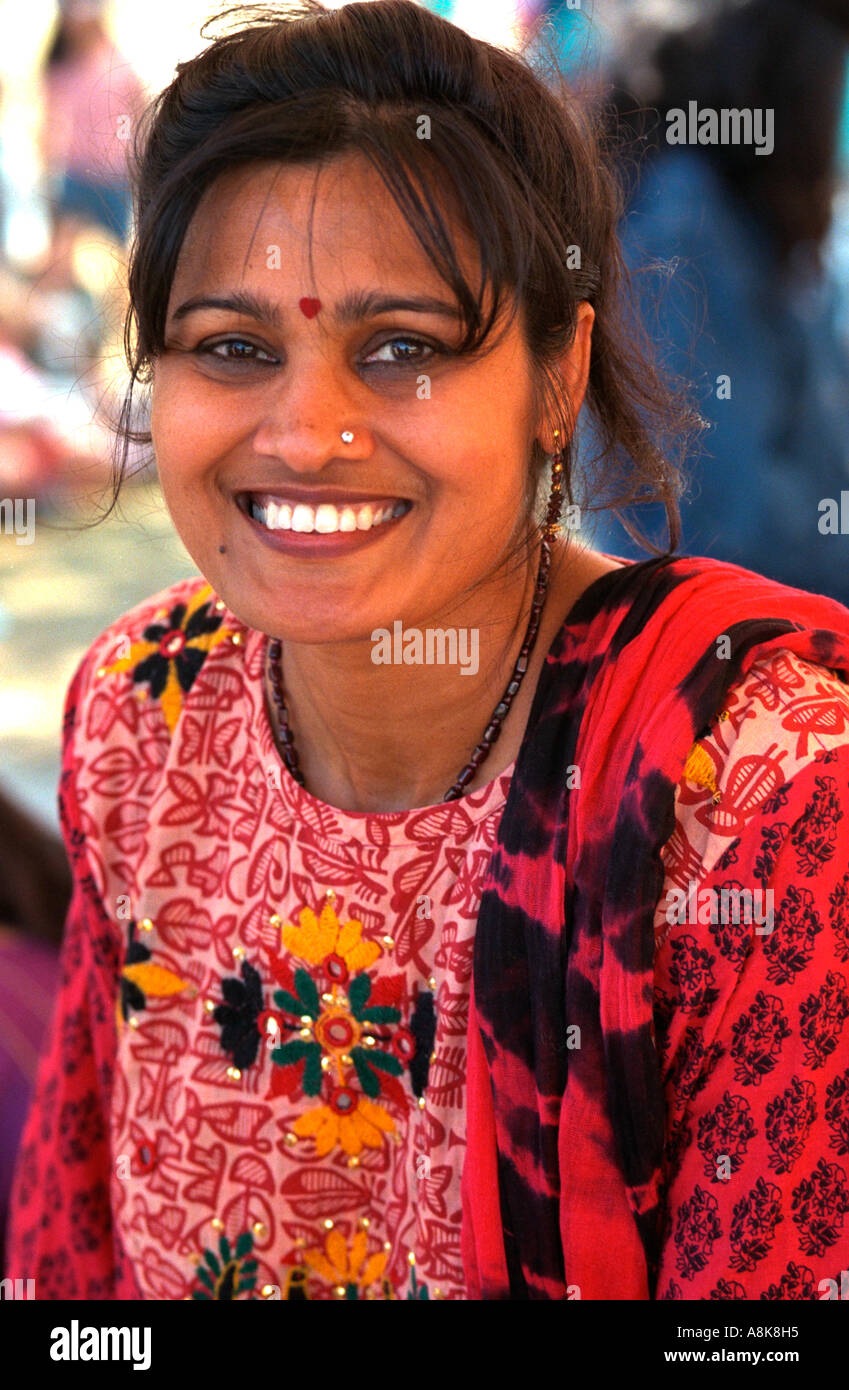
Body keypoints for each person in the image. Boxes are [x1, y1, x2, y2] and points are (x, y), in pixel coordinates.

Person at [6, 0, 849, 1301]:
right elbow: (73, 1271)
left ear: (559, 379)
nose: (303, 433)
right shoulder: (142, 707)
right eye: (232, 347)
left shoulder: (758, 800)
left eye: (400, 348)